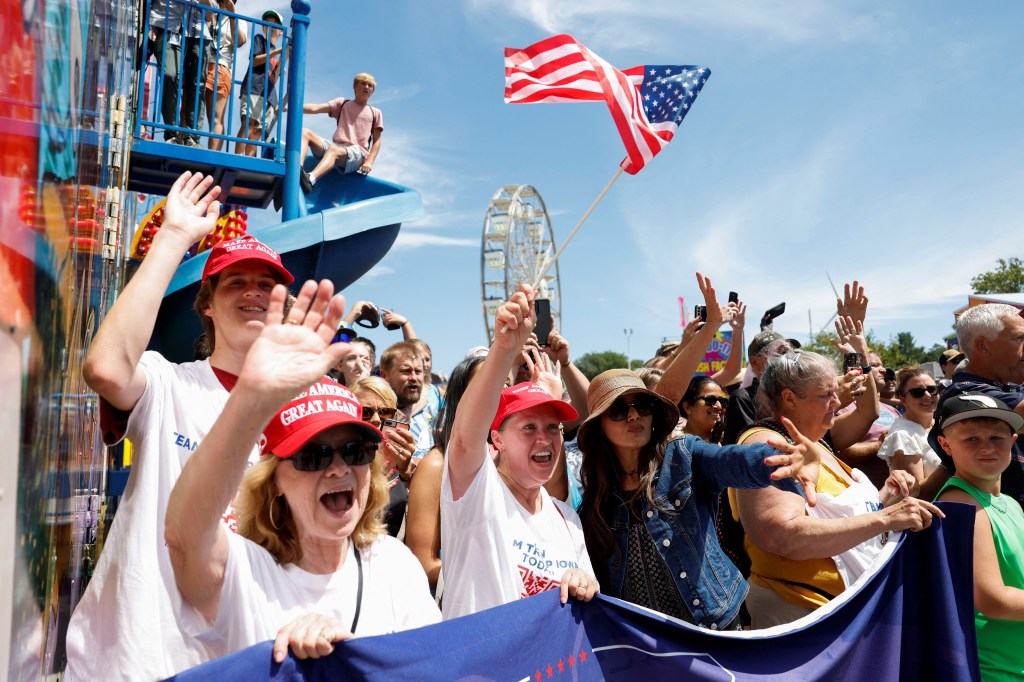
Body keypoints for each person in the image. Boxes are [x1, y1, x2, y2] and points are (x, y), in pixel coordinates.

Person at [66, 173, 293, 680]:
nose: (254, 292)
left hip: (244, 657)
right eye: (237, 282)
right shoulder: (169, 384)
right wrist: (172, 237)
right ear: (207, 306)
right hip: (140, 653)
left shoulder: (305, 413)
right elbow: (105, 369)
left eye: (268, 283)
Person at [165, 280, 440, 663]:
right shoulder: (243, 572)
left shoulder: (394, 564)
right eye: (313, 457)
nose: (339, 467)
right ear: (273, 481)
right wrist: (251, 397)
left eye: (355, 451)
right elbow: (183, 535)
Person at [576, 366, 823, 630]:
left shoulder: (682, 455)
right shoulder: (595, 499)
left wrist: (782, 460)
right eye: (618, 409)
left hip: (713, 625)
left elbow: (730, 461)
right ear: (599, 426)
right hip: (645, 641)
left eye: (643, 404)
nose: (634, 415)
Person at [735, 350, 944, 628]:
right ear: (789, 399)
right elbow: (781, 536)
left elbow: (843, 516)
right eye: (826, 395)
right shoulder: (767, 446)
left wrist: (888, 494)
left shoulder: (816, 441)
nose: (838, 402)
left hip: (843, 608)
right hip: (803, 612)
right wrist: (886, 519)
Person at [440, 284, 598, 620]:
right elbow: (465, 439)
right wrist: (503, 349)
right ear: (496, 440)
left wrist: (585, 583)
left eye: (552, 427)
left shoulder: (567, 518)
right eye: (528, 428)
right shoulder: (476, 495)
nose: (545, 439)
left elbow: (590, 592)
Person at [935, 393, 1024, 681]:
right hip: (995, 670)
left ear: (1012, 442)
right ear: (945, 445)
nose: (987, 448)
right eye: (971, 439)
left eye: (997, 438)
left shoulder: (1009, 502)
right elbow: (993, 600)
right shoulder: (961, 503)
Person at [929, 303, 1024, 509]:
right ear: (983, 346)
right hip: (993, 523)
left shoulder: (1009, 388)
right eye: (1019, 338)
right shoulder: (965, 395)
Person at [406, 355, 485, 594]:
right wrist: (489, 575)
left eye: (505, 382)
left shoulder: (512, 462)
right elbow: (423, 562)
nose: (498, 392)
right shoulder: (436, 466)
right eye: (487, 384)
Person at [351, 376, 417, 538]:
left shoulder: (401, 463)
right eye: (365, 412)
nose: (375, 420)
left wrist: (408, 476)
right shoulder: (342, 464)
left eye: (385, 412)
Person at [297, 73, 383, 192]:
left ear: (372, 91)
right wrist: (289, 107)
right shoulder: (343, 103)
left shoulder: (375, 113)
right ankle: (297, 169)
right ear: (355, 86)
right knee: (304, 132)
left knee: (333, 150)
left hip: (357, 153)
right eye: (363, 83)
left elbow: (377, 141)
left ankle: (310, 179)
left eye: (370, 85)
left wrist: (369, 162)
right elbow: (315, 108)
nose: (367, 87)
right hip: (337, 147)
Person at [877, 365, 942, 485]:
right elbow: (916, 493)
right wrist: (949, 466)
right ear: (903, 400)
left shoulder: (941, 424)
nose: (927, 395)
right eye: (917, 392)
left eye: (932, 389)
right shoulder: (902, 435)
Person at [236, 10, 284, 157]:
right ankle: (236, 158)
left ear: (280, 31)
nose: (269, 26)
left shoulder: (276, 52)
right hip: (255, 88)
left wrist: (280, 66)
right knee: (248, 125)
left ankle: (249, 162)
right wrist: (276, 54)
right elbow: (255, 60)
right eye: (267, 23)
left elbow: (273, 77)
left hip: (268, 96)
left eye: (274, 24)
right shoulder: (260, 40)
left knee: (257, 133)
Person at [380, 341, 438, 461]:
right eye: (406, 371)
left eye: (418, 372)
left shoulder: (430, 408)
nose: (413, 378)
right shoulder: (375, 417)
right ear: (384, 375)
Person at [204, 0, 246, 151]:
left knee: (216, 118)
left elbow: (239, 42)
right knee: (189, 109)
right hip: (201, 62)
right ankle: (184, 143)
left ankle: (212, 155)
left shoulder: (238, 20)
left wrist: (232, 14)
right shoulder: (210, 9)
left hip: (221, 66)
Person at [680, 375, 728, 443]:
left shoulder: (728, 440)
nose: (719, 406)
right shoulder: (675, 446)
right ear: (687, 407)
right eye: (710, 399)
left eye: (722, 401)